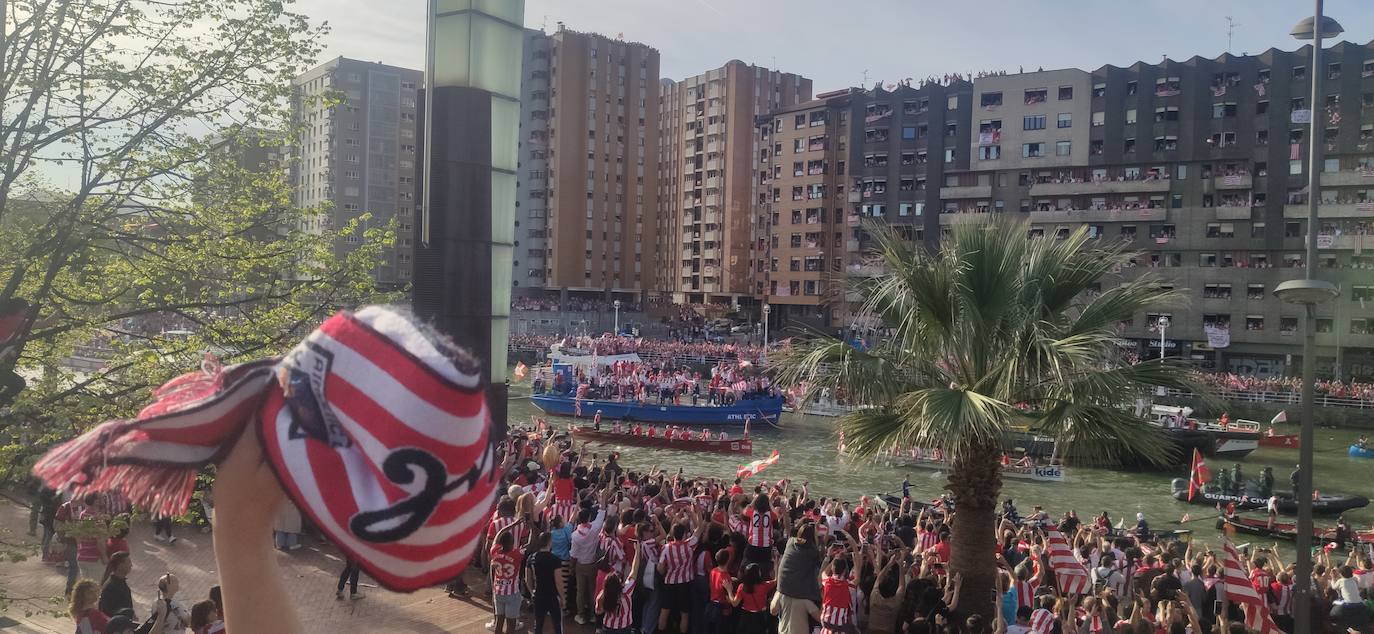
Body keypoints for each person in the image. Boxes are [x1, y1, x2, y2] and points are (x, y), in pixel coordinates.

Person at [489, 521, 526, 634]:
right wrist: (530, 527)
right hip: (512, 594)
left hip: (498, 592)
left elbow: (498, 535)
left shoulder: (494, 552)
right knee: (511, 625)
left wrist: (511, 525)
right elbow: (532, 543)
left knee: (499, 622)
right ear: (512, 542)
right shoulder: (517, 554)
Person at [526, 532, 564, 634]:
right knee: (557, 624)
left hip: (538, 595)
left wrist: (532, 593)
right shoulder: (555, 560)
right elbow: (558, 582)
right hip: (552, 596)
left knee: (538, 624)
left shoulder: (531, 558)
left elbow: (527, 579)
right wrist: (563, 598)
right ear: (549, 542)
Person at [98, 551, 135, 620]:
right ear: (120, 565)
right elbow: (108, 612)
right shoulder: (110, 587)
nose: (131, 565)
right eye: (129, 562)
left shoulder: (121, 582)